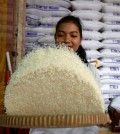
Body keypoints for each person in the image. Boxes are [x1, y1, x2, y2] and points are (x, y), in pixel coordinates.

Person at [29, 15, 111, 134]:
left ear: (80, 39)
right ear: (55, 38)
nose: (67, 40)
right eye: (61, 35)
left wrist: (101, 117)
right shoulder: (41, 69)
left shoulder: (91, 71)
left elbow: (97, 106)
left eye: (73, 35)